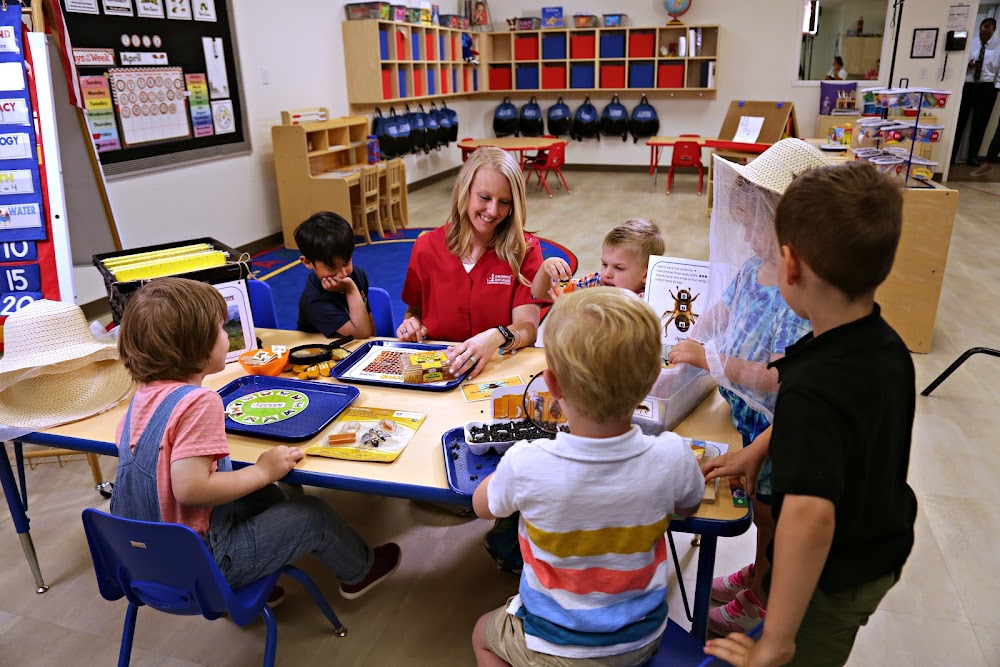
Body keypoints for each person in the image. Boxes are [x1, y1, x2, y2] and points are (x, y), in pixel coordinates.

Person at [705, 161, 916, 667]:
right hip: (877, 538)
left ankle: (775, 614)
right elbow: (841, 431)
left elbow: (809, 519)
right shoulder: (882, 343)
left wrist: (776, 642)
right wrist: (759, 448)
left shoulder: (810, 386)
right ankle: (765, 583)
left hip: (836, 574)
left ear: (791, 266)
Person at [112, 277, 401, 599]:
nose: (227, 336)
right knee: (313, 514)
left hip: (146, 555)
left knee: (265, 496)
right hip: (203, 563)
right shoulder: (199, 402)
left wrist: (259, 478)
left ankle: (259, 569)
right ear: (197, 345)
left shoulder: (142, 397)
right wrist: (263, 470)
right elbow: (191, 490)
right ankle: (361, 570)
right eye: (221, 329)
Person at [471, 287, 705, 667]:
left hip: (553, 645)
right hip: (641, 639)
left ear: (552, 384)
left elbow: (483, 507)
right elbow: (688, 506)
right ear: (651, 383)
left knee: (482, 632)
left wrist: (510, 467)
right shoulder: (673, 455)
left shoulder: (527, 462)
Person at [668, 139, 832, 636]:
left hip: (778, 426)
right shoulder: (751, 269)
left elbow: (778, 377)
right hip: (746, 415)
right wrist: (687, 342)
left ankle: (763, 591)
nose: (745, 233)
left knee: (769, 512)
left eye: (754, 224)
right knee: (757, 509)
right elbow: (718, 314)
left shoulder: (799, 292)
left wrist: (709, 359)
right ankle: (759, 570)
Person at [399, 146, 543, 380]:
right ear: (464, 192)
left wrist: (497, 336)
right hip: (440, 372)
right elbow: (414, 311)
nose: (492, 210)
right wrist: (411, 325)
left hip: (498, 373)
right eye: (484, 198)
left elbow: (528, 328)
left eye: (504, 202)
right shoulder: (426, 247)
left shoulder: (524, 249)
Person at [530, 218, 664, 300]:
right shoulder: (595, 282)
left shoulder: (652, 301)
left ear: (645, 274)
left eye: (619, 268)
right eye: (604, 264)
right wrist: (545, 269)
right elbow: (542, 293)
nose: (607, 274)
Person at [295, 211, 374, 339]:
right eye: (331, 267)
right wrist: (350, 290)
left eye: (346, 262)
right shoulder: (314, 300)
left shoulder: (357, 274)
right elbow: (362, 333)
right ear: (308, 262)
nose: (343, 274)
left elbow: (370, 328)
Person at [953, 18, 999, 167]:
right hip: (968, 85)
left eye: (987, 33)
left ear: (994, 31)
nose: (984, 36)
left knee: (980, 124)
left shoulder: (998, 48)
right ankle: (951, 156)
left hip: (987, 87)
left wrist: (996, 88)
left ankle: (972, 156)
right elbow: (959, 64)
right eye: (982, 33)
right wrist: (970, 65)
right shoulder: (971, 44)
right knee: (959, 121)